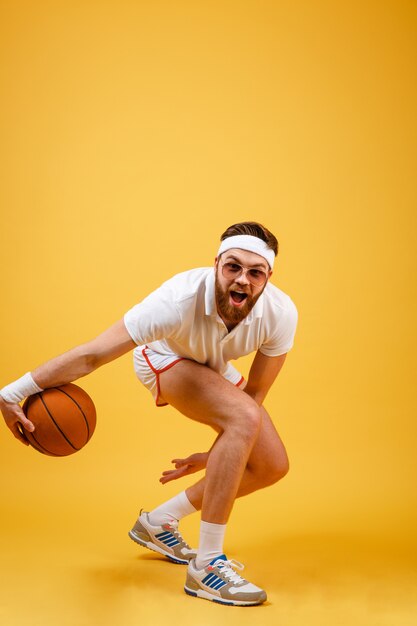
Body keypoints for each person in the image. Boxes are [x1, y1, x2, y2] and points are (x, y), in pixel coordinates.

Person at [0, 221, 298, 607]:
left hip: (212, 364)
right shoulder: (176, 299)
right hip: (165, 357)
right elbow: (93, 354)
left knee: (271, 464)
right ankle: (206, 566)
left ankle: (158, 522)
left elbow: (255, 394)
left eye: (255, 272)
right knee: (242, 419)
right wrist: (12, 392)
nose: (242, 280)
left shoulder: (280, 313)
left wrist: (220, 451)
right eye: (233, 267)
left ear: (268, 277)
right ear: (216, 264)